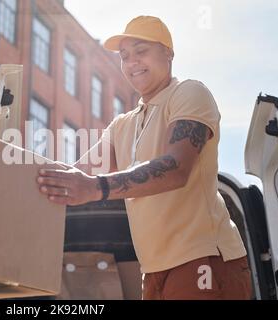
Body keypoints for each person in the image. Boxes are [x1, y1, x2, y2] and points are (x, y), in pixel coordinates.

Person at [36, 16, 252, 300]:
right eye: (125, 56)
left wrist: (96, 188)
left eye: (141, 51)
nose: (132, 63)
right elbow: (76, 173)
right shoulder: (123, 125)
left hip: (203, 258)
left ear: (168, 53)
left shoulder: (189, 93)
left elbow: (176, 167)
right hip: (152, 271)